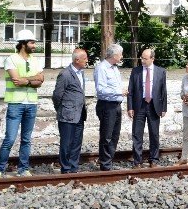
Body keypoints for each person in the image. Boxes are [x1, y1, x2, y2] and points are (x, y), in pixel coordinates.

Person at [0, 29, 44, 178]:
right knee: (10, 138)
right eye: (32, 42)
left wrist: (26, 80)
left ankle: (23, 168)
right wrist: (32, 80)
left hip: (32, 103)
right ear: (23, 44)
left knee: (26, 139)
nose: (34, 45)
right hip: (16, 103)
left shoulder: (35, 60)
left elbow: (41, 80)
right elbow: (16, 81)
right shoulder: (11, 59)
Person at [127, 48, 167, 168]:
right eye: (141, 58)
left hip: (154, 106)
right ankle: (137, 161)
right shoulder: (136, 71)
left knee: (154, 134)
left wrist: (164, 108)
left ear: (152, 59)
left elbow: (163, 91)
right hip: (139, 106)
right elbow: (131, 91)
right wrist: (130, 107)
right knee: (137, 134)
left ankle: (154, 159)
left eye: (145, 58)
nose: (142, 60)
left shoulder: (161, 71)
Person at [52, 48, 89, 174]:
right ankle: (65, 168)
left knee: (77, 142)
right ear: (77, 60)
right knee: (66, 143)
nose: (87, 61)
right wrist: (62, 109)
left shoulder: (81, 73)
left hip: (80, 114)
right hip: (67, 114)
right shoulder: (65, 74)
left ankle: (74, 167)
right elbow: (57, 95)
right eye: (85, 58)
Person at [94, 43, 128, 171]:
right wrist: (119, 92)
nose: (122, 56)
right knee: (106, 135)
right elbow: (101, 90)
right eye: (120, 54)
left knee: (114, 135)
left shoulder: (114, 68)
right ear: (114, 55)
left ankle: (109, 160)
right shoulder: (101, 68)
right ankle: (105, 164)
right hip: (107, 105)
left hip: (116, 105)